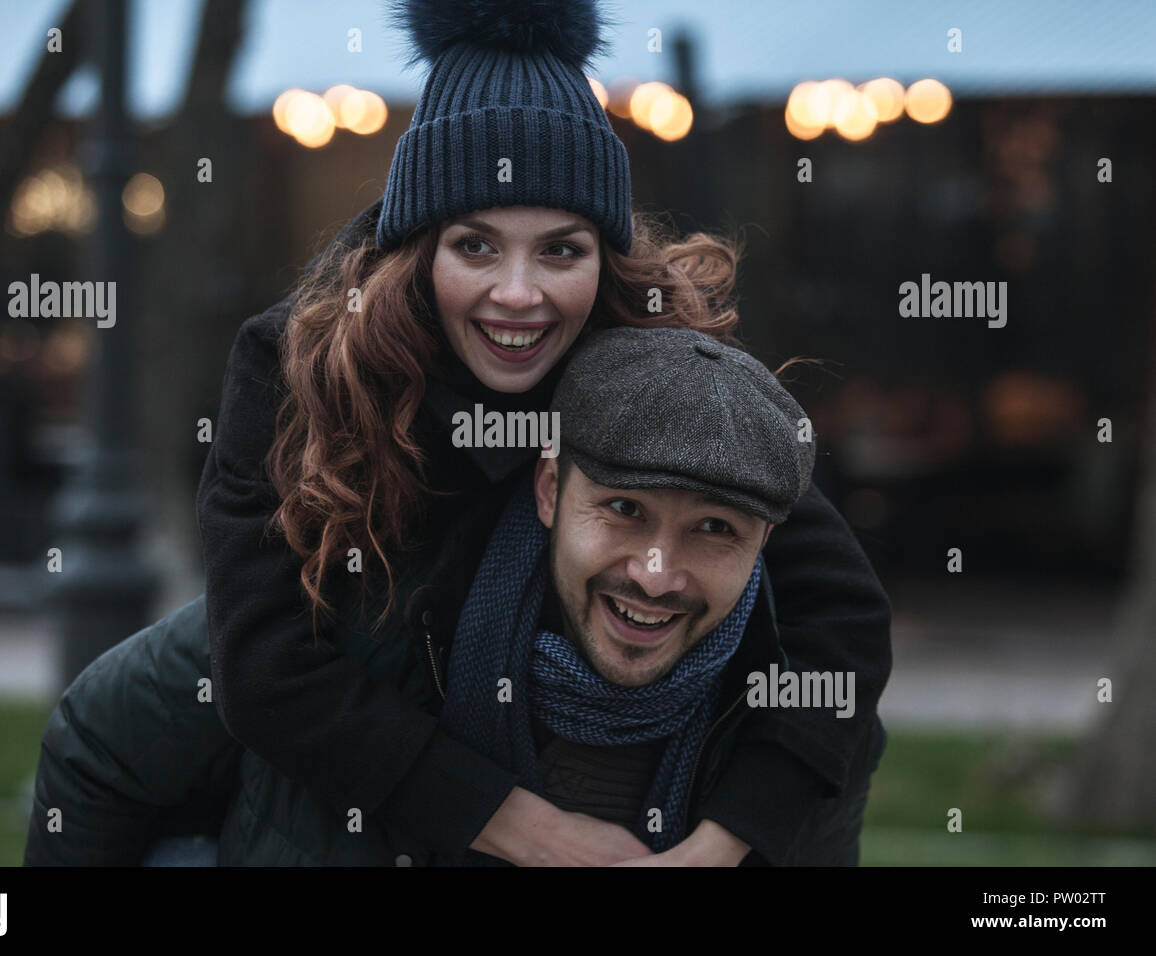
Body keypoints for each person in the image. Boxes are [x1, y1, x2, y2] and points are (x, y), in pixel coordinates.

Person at [196, 0, 891, 867]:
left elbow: (843, 618)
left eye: (561, 251)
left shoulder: (656, 362)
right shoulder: (292, 367)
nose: (518, 295)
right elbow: (265, 673)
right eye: (476, 246)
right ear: (417, 249)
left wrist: (722, 846)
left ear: (604, 259)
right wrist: (538, 835)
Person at [22, 327, 886, 866]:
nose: (657, 572)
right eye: (623, 511)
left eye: (714, 531)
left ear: (766, 541)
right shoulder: (364, 605)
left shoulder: (797, 730)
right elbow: (101, 738)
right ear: (550, 491)